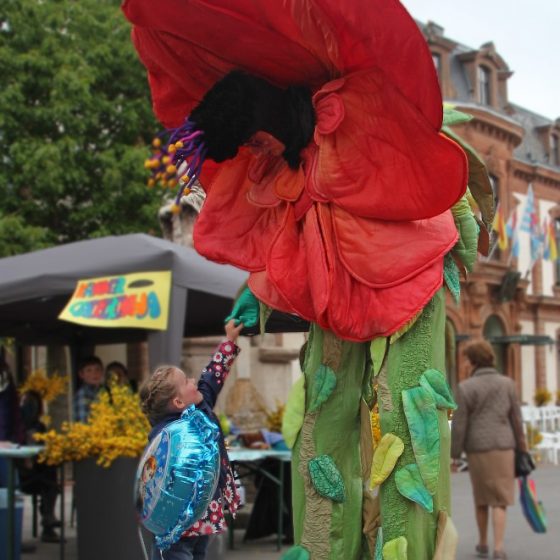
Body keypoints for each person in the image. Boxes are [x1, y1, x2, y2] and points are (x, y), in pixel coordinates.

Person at [139, 319, 243, 560]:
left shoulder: (200, 407)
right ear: (177, 402)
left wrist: (229, 341)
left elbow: (212, 377)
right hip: (177, 521)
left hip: (203, 512)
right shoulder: (166, 435)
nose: (193, 381)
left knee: (199, 554)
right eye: (186, 382)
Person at [451, 340, 528, 560]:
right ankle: (499, 547)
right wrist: (522, 447)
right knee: (500, 499)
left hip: (478, 449)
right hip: (504, 447)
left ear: (473, 360)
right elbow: (516, 419)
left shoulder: (465, 388)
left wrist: (455, 454)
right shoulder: (507, 384)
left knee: (482, 498)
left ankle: (483, 542)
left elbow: (460, 425)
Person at [17, 390, 62, 543]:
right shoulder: (14, 427)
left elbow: (45, 451)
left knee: (50, 471)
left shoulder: (41, 426)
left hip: (38, 476)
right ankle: (48, 520)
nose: (29, 408)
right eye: (26, 403)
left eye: (33, 404)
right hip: (19, 476)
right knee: (48, 478)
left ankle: (48, 521)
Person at [74, 356, 104, 423]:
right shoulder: (83, 394)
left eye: (97, 369)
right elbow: (83, 423)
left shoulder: (104, 391)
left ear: (102, 372)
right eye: (89, 370)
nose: (94, 374)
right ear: (81, 374)